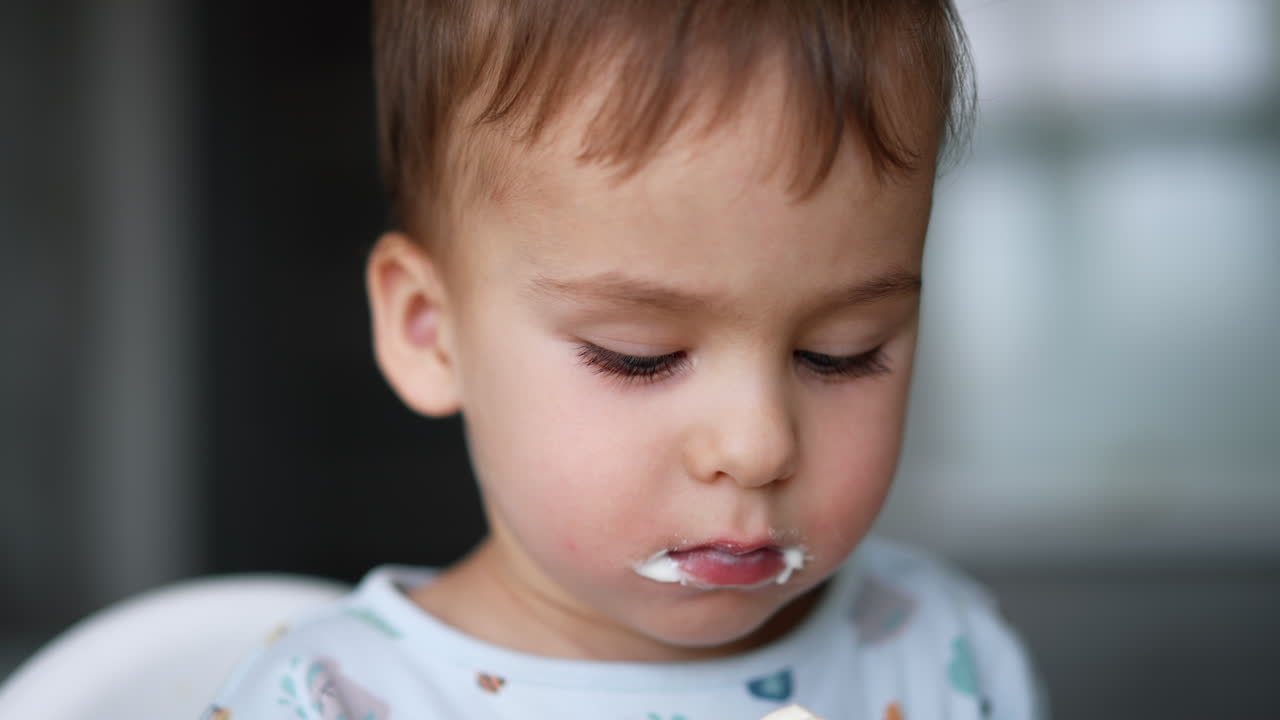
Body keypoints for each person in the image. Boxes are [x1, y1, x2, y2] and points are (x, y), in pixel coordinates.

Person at [206, 1, 1046, 718]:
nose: (758, 448)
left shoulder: (939, 651)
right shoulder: (333, 699)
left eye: (840, 354)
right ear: (431, 330)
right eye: (639, 358)